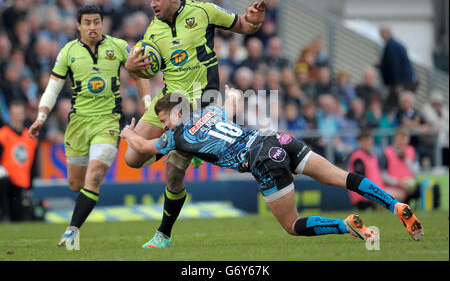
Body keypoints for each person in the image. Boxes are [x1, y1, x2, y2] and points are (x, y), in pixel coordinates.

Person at [120, 88, 424, 247]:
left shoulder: (177, 134)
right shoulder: (211, 111)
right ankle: (396, 205)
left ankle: (346, 225)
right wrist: (231, 93)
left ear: (175, 113)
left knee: (292, 225)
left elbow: (144, 149)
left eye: (162, 119)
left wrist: (127, 133)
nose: (161, 126)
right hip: (278, 139)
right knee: (341, 177)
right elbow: (234, 101)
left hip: (263, 160)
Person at [123, 0, 267, 248]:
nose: (152, 4)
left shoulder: (205, 11)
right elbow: (143, 71)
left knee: (174, 173)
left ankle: (163, 234)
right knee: (132, 158)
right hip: (168, 102)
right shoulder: (152, 32)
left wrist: (255, 19)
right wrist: (131, 69)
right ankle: (186, 147)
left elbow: (244, 26)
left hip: (201, 104)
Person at [28, 4, 152, 247]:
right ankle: (86, 199)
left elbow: (139, 76)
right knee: (76, 184)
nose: (93, 27)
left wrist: (147, 105)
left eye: (97, 22)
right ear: (78, 25)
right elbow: (52, 88)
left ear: (102, 23)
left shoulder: (118, 46)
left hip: (108, 120)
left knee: (94, 175)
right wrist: (41, 118)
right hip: (78, 123)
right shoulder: (68, 52)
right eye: (87, 23)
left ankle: (72, 231)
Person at [0, 101, 38, 222]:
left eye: (19, 114)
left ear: (23, 115)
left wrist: (31, 184)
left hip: (22, 183)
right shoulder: (3, 134)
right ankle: (4, 215)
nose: (17, 117)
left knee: (20, 217)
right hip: (6, 181)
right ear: (10, 115)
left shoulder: (30, 136)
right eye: (14, 114)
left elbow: (33, 163)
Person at [378, 24, 418, 111]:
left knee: (394, 104)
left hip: (402, 82)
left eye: (381, 33)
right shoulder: (395, 44)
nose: (380, 35)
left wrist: (397, 84)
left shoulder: (391, 45)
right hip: (407, 81)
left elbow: (394, 65)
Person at [347, 129, 389, 211]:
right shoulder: (358, 157)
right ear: (360, 142)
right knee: (396, 197)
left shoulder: (373, 156)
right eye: (365, 140)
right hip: (366, 197)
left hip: (375, 193)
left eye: (369, 139)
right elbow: (360, 181)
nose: (368, 142)